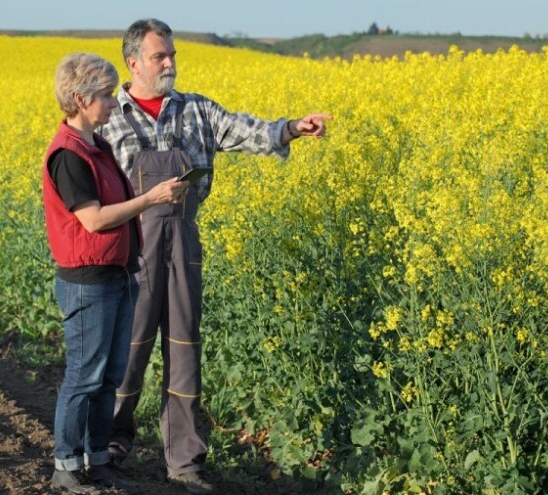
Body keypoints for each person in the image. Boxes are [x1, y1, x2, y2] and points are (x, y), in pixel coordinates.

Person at [98, 18, 331, 494]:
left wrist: (292, 129)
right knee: (129, 350)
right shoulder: (109, 117)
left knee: (184, 350)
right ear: (133, 63)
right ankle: (111, 444)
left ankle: (185, 460)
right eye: (160, 56)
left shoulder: (196, 110)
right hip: (133, 247)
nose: (170, 63)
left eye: (173, 55)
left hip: (183, 243)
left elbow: (248, 131)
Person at [43, 52, 189, 494]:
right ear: (79, 98)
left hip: (117, 276)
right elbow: (93, 220)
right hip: (88, 283)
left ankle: (98, 459)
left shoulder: (98, 146)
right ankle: (66, 466)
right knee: (84, 377)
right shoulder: (68, 155)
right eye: (106, 95)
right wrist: (151, 198)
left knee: (109, 378)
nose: (113, 102)